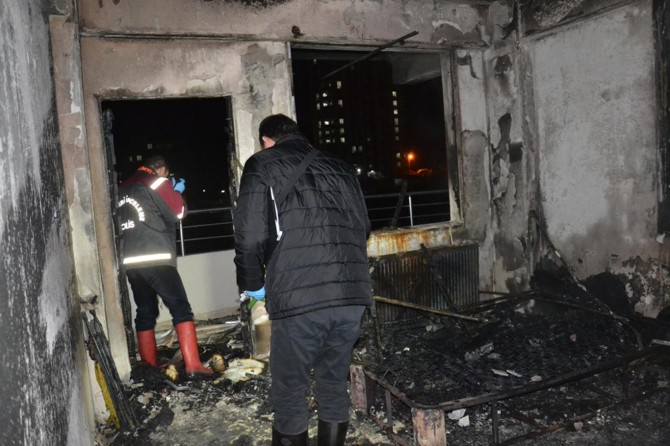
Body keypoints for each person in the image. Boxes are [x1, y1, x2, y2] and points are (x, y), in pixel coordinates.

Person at [233, 114, 372, 446]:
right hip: (351, 295)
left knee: (290, 393)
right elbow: (364, 227)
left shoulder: (261, 164)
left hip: (300, 301)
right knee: (333, 385)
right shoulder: (341, 167)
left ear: (266, 140)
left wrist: (253, 285)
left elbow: (250, 237)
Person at [117, 154, 213, 378]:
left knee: (145, 311)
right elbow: (179, 212)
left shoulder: (122, 187)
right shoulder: (158, 182)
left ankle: (150, 365)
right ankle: (193, 366)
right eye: (167, 175)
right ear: (161, 169)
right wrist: (176, 191)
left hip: (131, 261)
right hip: (157, 257)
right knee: (181, 308)